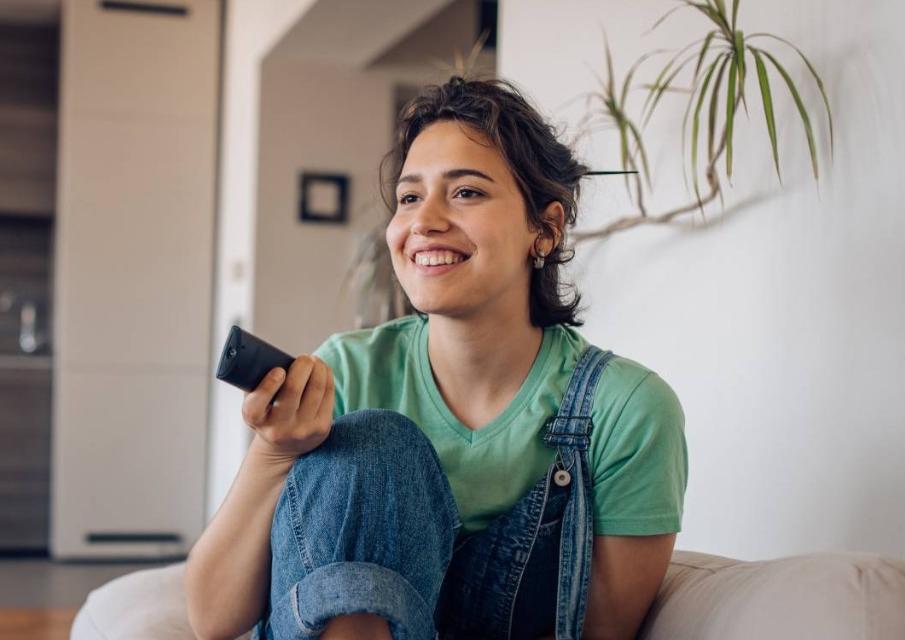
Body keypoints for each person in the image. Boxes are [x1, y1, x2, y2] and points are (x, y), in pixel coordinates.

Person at [185, 76, 688, 640]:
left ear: (544, 229)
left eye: (466, 192)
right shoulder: (349, 370)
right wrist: (274, 453)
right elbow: (211, 620)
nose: (423, 221)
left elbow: (601, 632)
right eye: (408, 197)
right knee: (377, 444)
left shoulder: (626, 410)